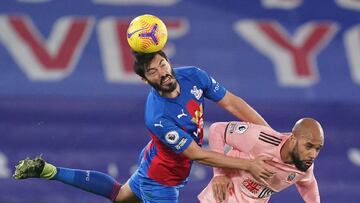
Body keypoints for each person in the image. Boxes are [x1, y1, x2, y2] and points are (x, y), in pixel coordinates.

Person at [13, 50, 274, 203]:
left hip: (154, 159)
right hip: (161, 181)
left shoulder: (194, 75)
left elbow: (232, 103)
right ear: (144, 80)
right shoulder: (157, 116)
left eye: (163, 64)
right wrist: (249, 164)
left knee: (120, 195)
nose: (162, 72)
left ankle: (49, 171)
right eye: (153, 72)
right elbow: (197, 153)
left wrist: (271, 135)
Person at [198, 118, 324, 203]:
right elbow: (217, 129)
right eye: (308, 146)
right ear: (292, 139)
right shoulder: (260, 138)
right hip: (221, 198)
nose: (313, 154)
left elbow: (308, 185)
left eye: (318, 149)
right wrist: (220, 173)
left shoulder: (304, 166)